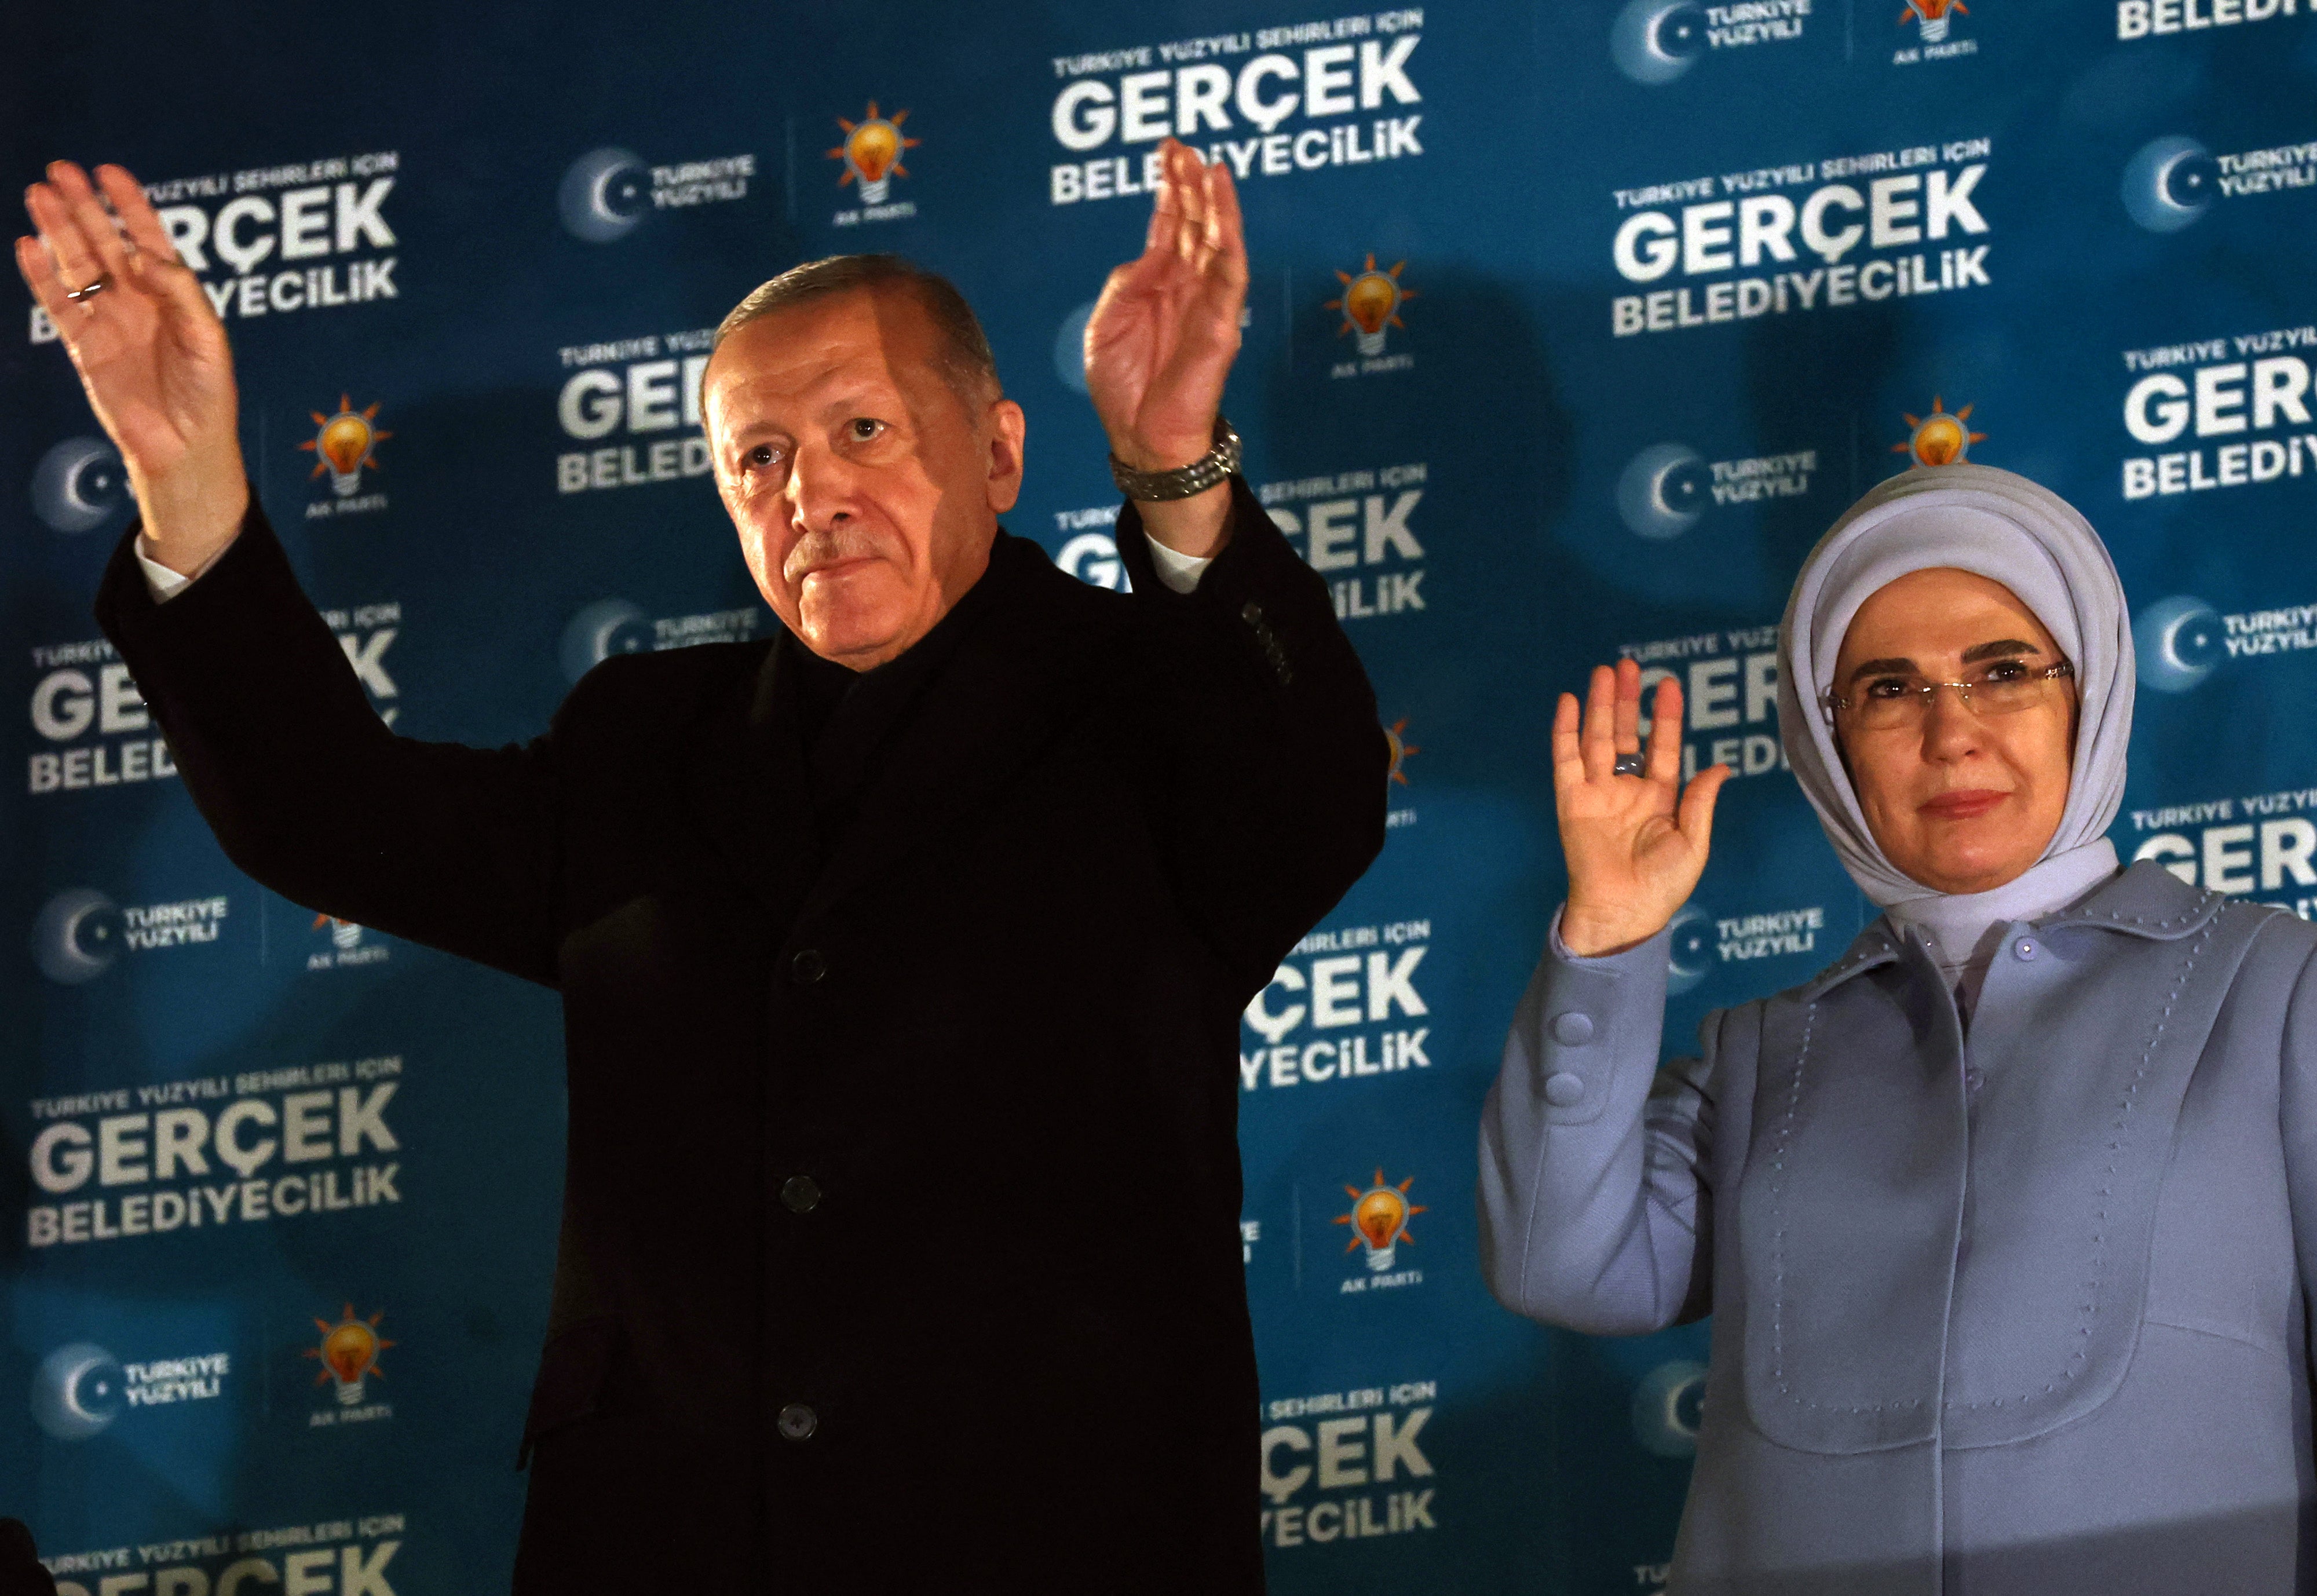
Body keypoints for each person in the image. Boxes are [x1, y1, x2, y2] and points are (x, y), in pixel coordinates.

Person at [18, 141, 1386, 1591]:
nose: (814, 494)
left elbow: (1314, 803)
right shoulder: (641, 743)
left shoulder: (1145, 705)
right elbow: (330, 817)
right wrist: (192, 492)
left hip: (1050, 1534)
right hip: (666, 1544)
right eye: (761, 457)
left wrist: (1174, 468)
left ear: (996, 451)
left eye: (862, 429)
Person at [1479, 463, 2317, 1593]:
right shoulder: (1760, 1053)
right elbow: (1558, 1264)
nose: (1949, 733)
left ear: (2092, 692)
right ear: (1826, 745)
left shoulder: (2273, 990)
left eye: (2002, 671)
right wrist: (1607, 942)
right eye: (1886, 689)